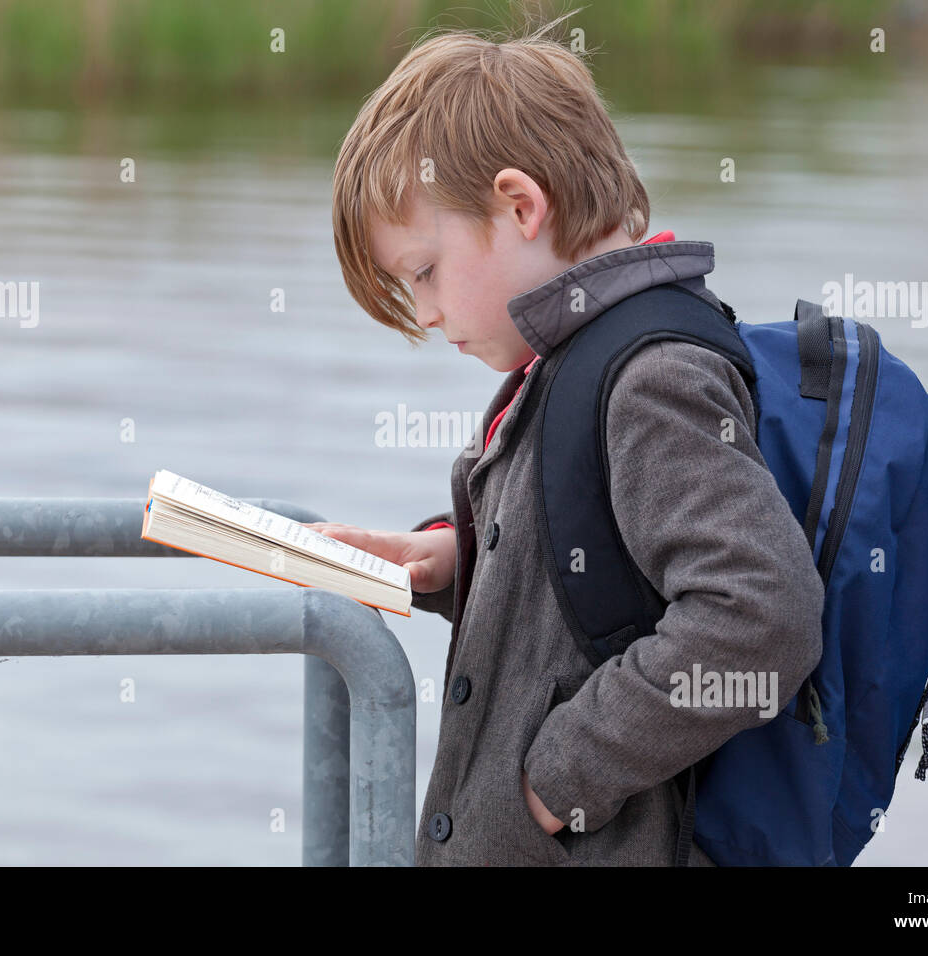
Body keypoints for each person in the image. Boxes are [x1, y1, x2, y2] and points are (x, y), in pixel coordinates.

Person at [305, 16, 824, 866]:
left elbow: (762, 619)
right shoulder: (571, 360)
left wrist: (552, 785)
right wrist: (450, 560)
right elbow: (595, 566)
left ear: (519, 205)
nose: (428, 315)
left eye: (425, 273)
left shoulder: (648, 375)